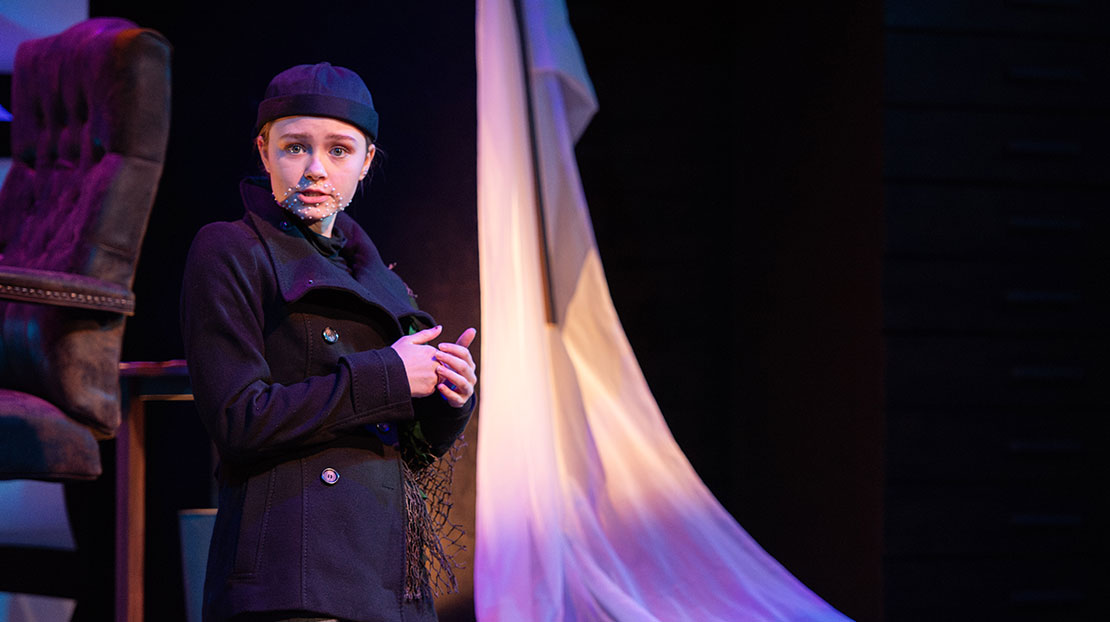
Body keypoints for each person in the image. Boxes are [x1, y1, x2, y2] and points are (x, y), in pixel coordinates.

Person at [180, 62, 477, 622]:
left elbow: (409, 449)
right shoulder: (230, 249)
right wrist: (389, 374)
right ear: (264, 150)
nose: (315, 169)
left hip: (391, 576)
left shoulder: (381, 279)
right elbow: (239, 419)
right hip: (293, 571)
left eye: (339, 150)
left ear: (366, 162)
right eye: (295, 147)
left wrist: (448, 397)